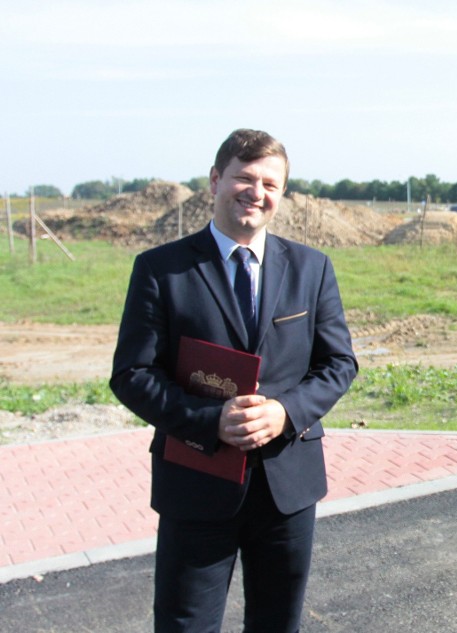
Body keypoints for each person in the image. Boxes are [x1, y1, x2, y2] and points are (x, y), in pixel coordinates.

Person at [111, 129, 358, 632]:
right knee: (186, 624)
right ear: (215, 181)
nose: (256, 192)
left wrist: (285, 411)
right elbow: (132, 374)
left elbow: (339, 364)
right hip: (198, 482)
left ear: (282, 193)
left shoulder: (312, 268)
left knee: (277, 622)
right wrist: (209, 421)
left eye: (270, 183)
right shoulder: (161, 269)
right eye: (244, 178)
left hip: (286, 486)